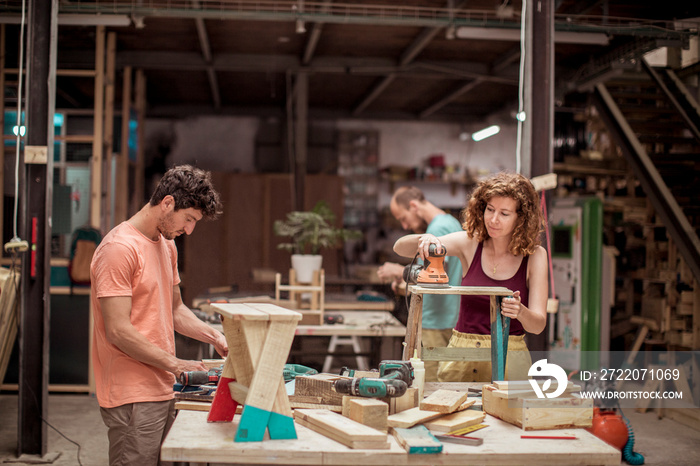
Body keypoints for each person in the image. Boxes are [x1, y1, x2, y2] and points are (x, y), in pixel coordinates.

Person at [90, 165, 228, 466]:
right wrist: (177, 364)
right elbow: (118, 330)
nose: (189, 230)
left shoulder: (167, 245)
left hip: (163, 384)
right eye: (188, 219)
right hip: (131, 393)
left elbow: (175, 309)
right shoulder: (118, 249)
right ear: (167, 203)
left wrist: (216, 337)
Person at [393, 172, 548, 382]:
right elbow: (400, 247)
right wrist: (426, 239)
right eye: (490, 209)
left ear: (521, 218)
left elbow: (537, 326)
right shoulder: (469, 243)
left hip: (510, 358)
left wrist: (520, 312)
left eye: (504, 214)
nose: (493, 220)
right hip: (462, 358)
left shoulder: (535, 256)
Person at [377, 186, 462, 382]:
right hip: (449, 315)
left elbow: (436, 274)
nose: (405, 226)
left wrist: (398, 271)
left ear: (413, 206)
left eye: (403, 218)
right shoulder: (450, 222)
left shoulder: (436, 229)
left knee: (430, 385)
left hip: (436, 320)